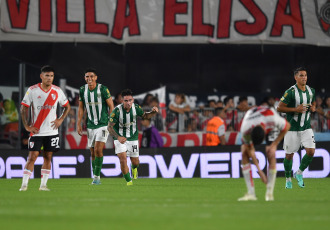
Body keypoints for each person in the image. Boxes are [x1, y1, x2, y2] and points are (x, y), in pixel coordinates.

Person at [19, 65, 70, 191]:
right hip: (36, 131)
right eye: (47, 75)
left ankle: (43, 185)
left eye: (51, 76)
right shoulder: (32, 90)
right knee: (32, 156)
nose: (49, 78)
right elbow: (23, 108)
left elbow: (67, 106)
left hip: (52, 131)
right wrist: (26, 126)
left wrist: (60, 120)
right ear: (41, 76)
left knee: (48, 157)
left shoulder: (57, 91)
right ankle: (24, 184)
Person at [108, 89, 159, 185]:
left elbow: (145, 116)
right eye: (126, 100)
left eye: (130, 100)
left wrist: (152, 112)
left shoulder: (136, 108)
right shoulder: (116, 111)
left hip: (133, 138)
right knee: (123, 159)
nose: (128, 103)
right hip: (120, 138)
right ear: (122, 101)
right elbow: (110, 127)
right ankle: (129, 182)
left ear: (133, 100)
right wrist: (118, 137)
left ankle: (134, 168)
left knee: (135, 162)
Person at [238, 106, 290, 201]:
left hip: (268, 120)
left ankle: (269, 194)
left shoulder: (272, 118)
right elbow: (251, 150)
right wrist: (260, 172)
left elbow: (287, 126)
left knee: (271, 153)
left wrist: (274, 144)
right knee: (244, 152)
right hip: (252, 118)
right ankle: (251, 194)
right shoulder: (245, 129)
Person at [277, 67, 316, 189]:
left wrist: (313, 107)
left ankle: (299, 173)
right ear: (295, 77)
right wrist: (295, 109)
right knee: (289, 155)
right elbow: (279, 108)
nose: (304, 77)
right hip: (292, 129)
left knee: (311, 151)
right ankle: (288, 179)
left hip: (306, 127)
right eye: (301, 75)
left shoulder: (311, 91)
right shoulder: (291, 92)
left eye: (305, 75)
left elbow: (313, 102)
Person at [77, 68, 114, 185]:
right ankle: (95, 176)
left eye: (92, 76)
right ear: (85, 78)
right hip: (90, 125)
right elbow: (81, 108)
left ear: (96, 78)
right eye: (87, 76)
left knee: (98, 149)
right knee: (93, 153)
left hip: (103, 124)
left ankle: (97, 178)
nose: (89, 79)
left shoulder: (103, 89)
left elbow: (111, 106)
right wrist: (79, 123)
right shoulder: (82, 90)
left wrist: (111, 123)